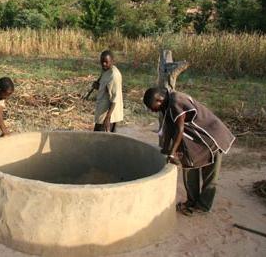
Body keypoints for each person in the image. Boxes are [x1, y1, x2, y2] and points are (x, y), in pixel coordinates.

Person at [143, 87, 235, 216]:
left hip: (210, 137)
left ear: (159, 99)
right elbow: (169, 128)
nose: (151, 110)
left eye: (152, 106)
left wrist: (171, 153)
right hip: (196, 142)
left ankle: (202, 207)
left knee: (209, 175)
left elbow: (179, 130)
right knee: (189, 168)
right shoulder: (166, 105)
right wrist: (165, 149)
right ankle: (191, 201)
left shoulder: (176, 101)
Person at [92, 50, 123, 132]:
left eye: (106, 62)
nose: (104, 64)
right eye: (102, 62)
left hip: (107, 115)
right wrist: (98, 86)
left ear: (112, 61)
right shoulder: (105, 70)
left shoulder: (114, 75)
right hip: (102, 111)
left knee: (100, 140)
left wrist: (107, 118)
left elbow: (115, 99)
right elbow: (106, 88)